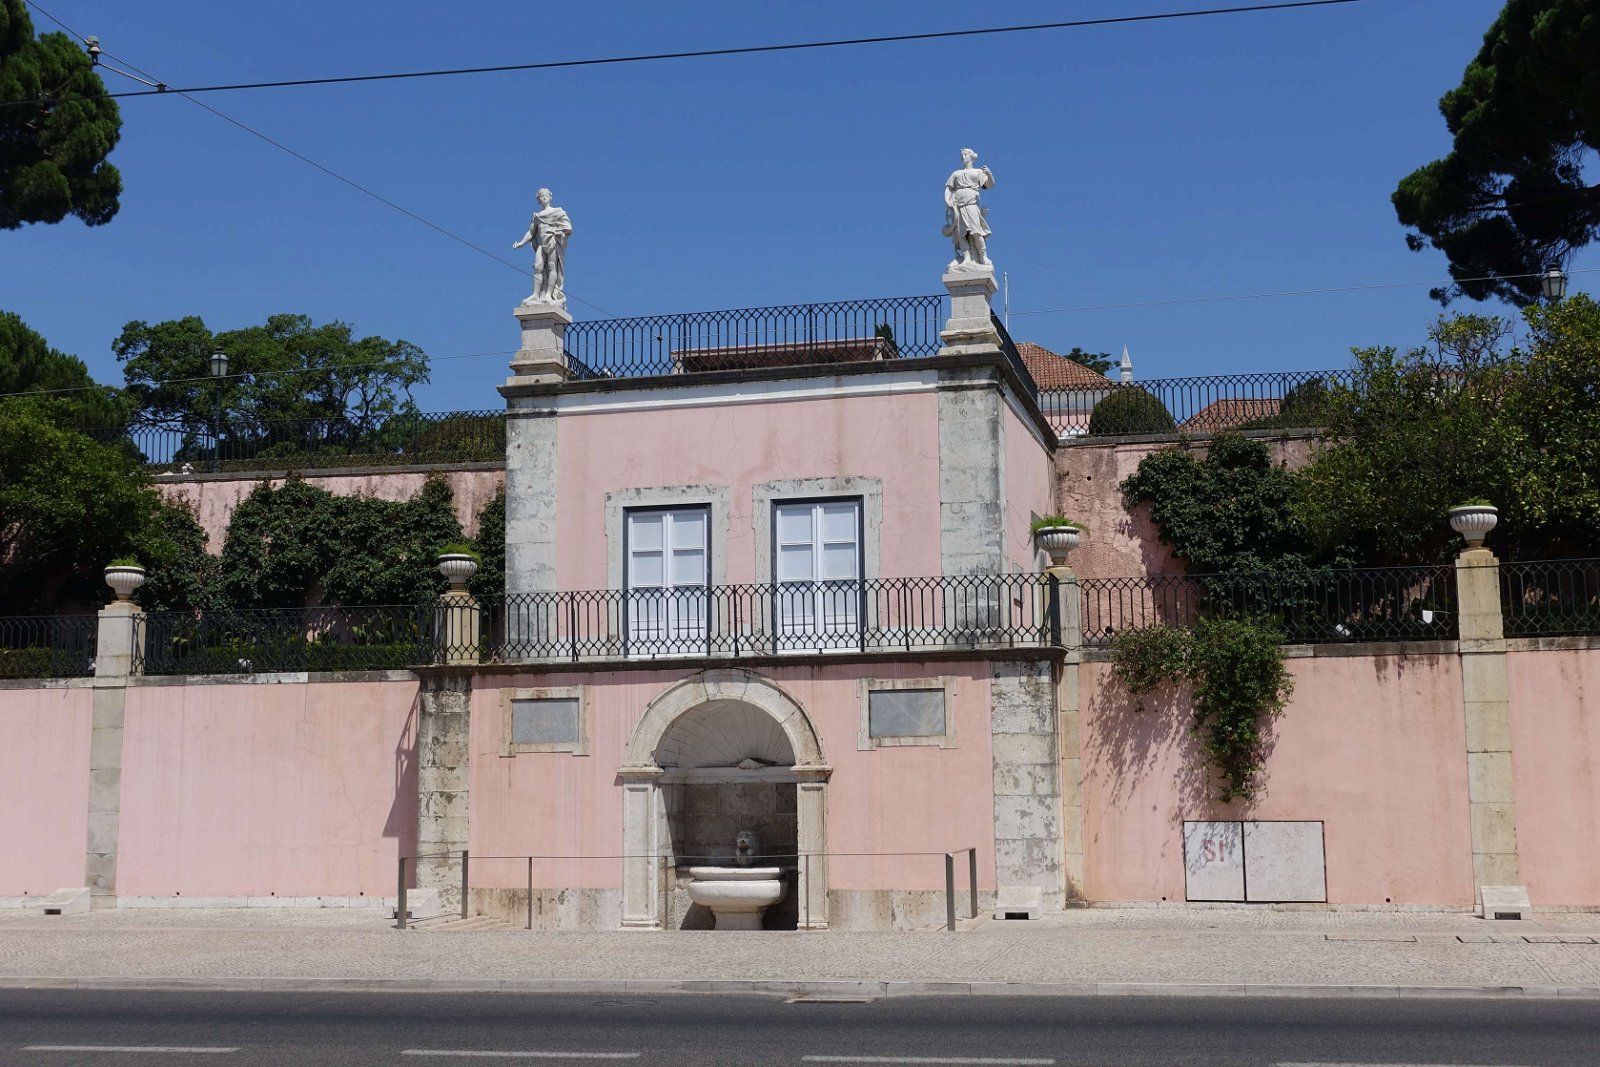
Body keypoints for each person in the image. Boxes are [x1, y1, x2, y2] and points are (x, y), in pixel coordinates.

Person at [513, 188, 573, 305]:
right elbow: (531, 232)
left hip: (553, 241)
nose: (544, 197)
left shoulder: (558, 212)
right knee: (538, 267)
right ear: (538, 200)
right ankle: (536, 294)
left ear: (550, 198)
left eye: (545, 195)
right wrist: (521, 243)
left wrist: (564, 231)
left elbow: (567, 226)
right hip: (541, 244)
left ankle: (548, 294)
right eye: (541, 196)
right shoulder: (537, 216)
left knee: (552, 267)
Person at [942, 148, 995, 270]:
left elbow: (990, 184)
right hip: (958, 206)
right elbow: (949, 189)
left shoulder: (977, 172)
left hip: (971, 204)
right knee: (961, 234)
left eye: (965, 154)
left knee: (976, 232)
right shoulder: (956, 174)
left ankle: (983, 257)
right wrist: (948, 201)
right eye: (962, 155)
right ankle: (966, 258)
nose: (963, 157)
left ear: (971, 157)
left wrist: (989, 174)